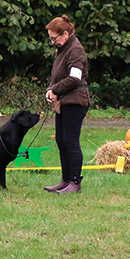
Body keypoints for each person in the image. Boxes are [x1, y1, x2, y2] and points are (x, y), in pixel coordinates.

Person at [44, 14, 90, 194]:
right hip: (64, 101)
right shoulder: (63, 49)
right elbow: (58, 76)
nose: (52, 42)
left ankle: (75, 182)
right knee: (61, 140)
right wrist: (51, 89)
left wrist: (55, 89)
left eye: (53, 38)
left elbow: (74, 78)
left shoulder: (75, 50)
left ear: (65, 34)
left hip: (76, 101)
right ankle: (65, 180)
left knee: (70, 141)